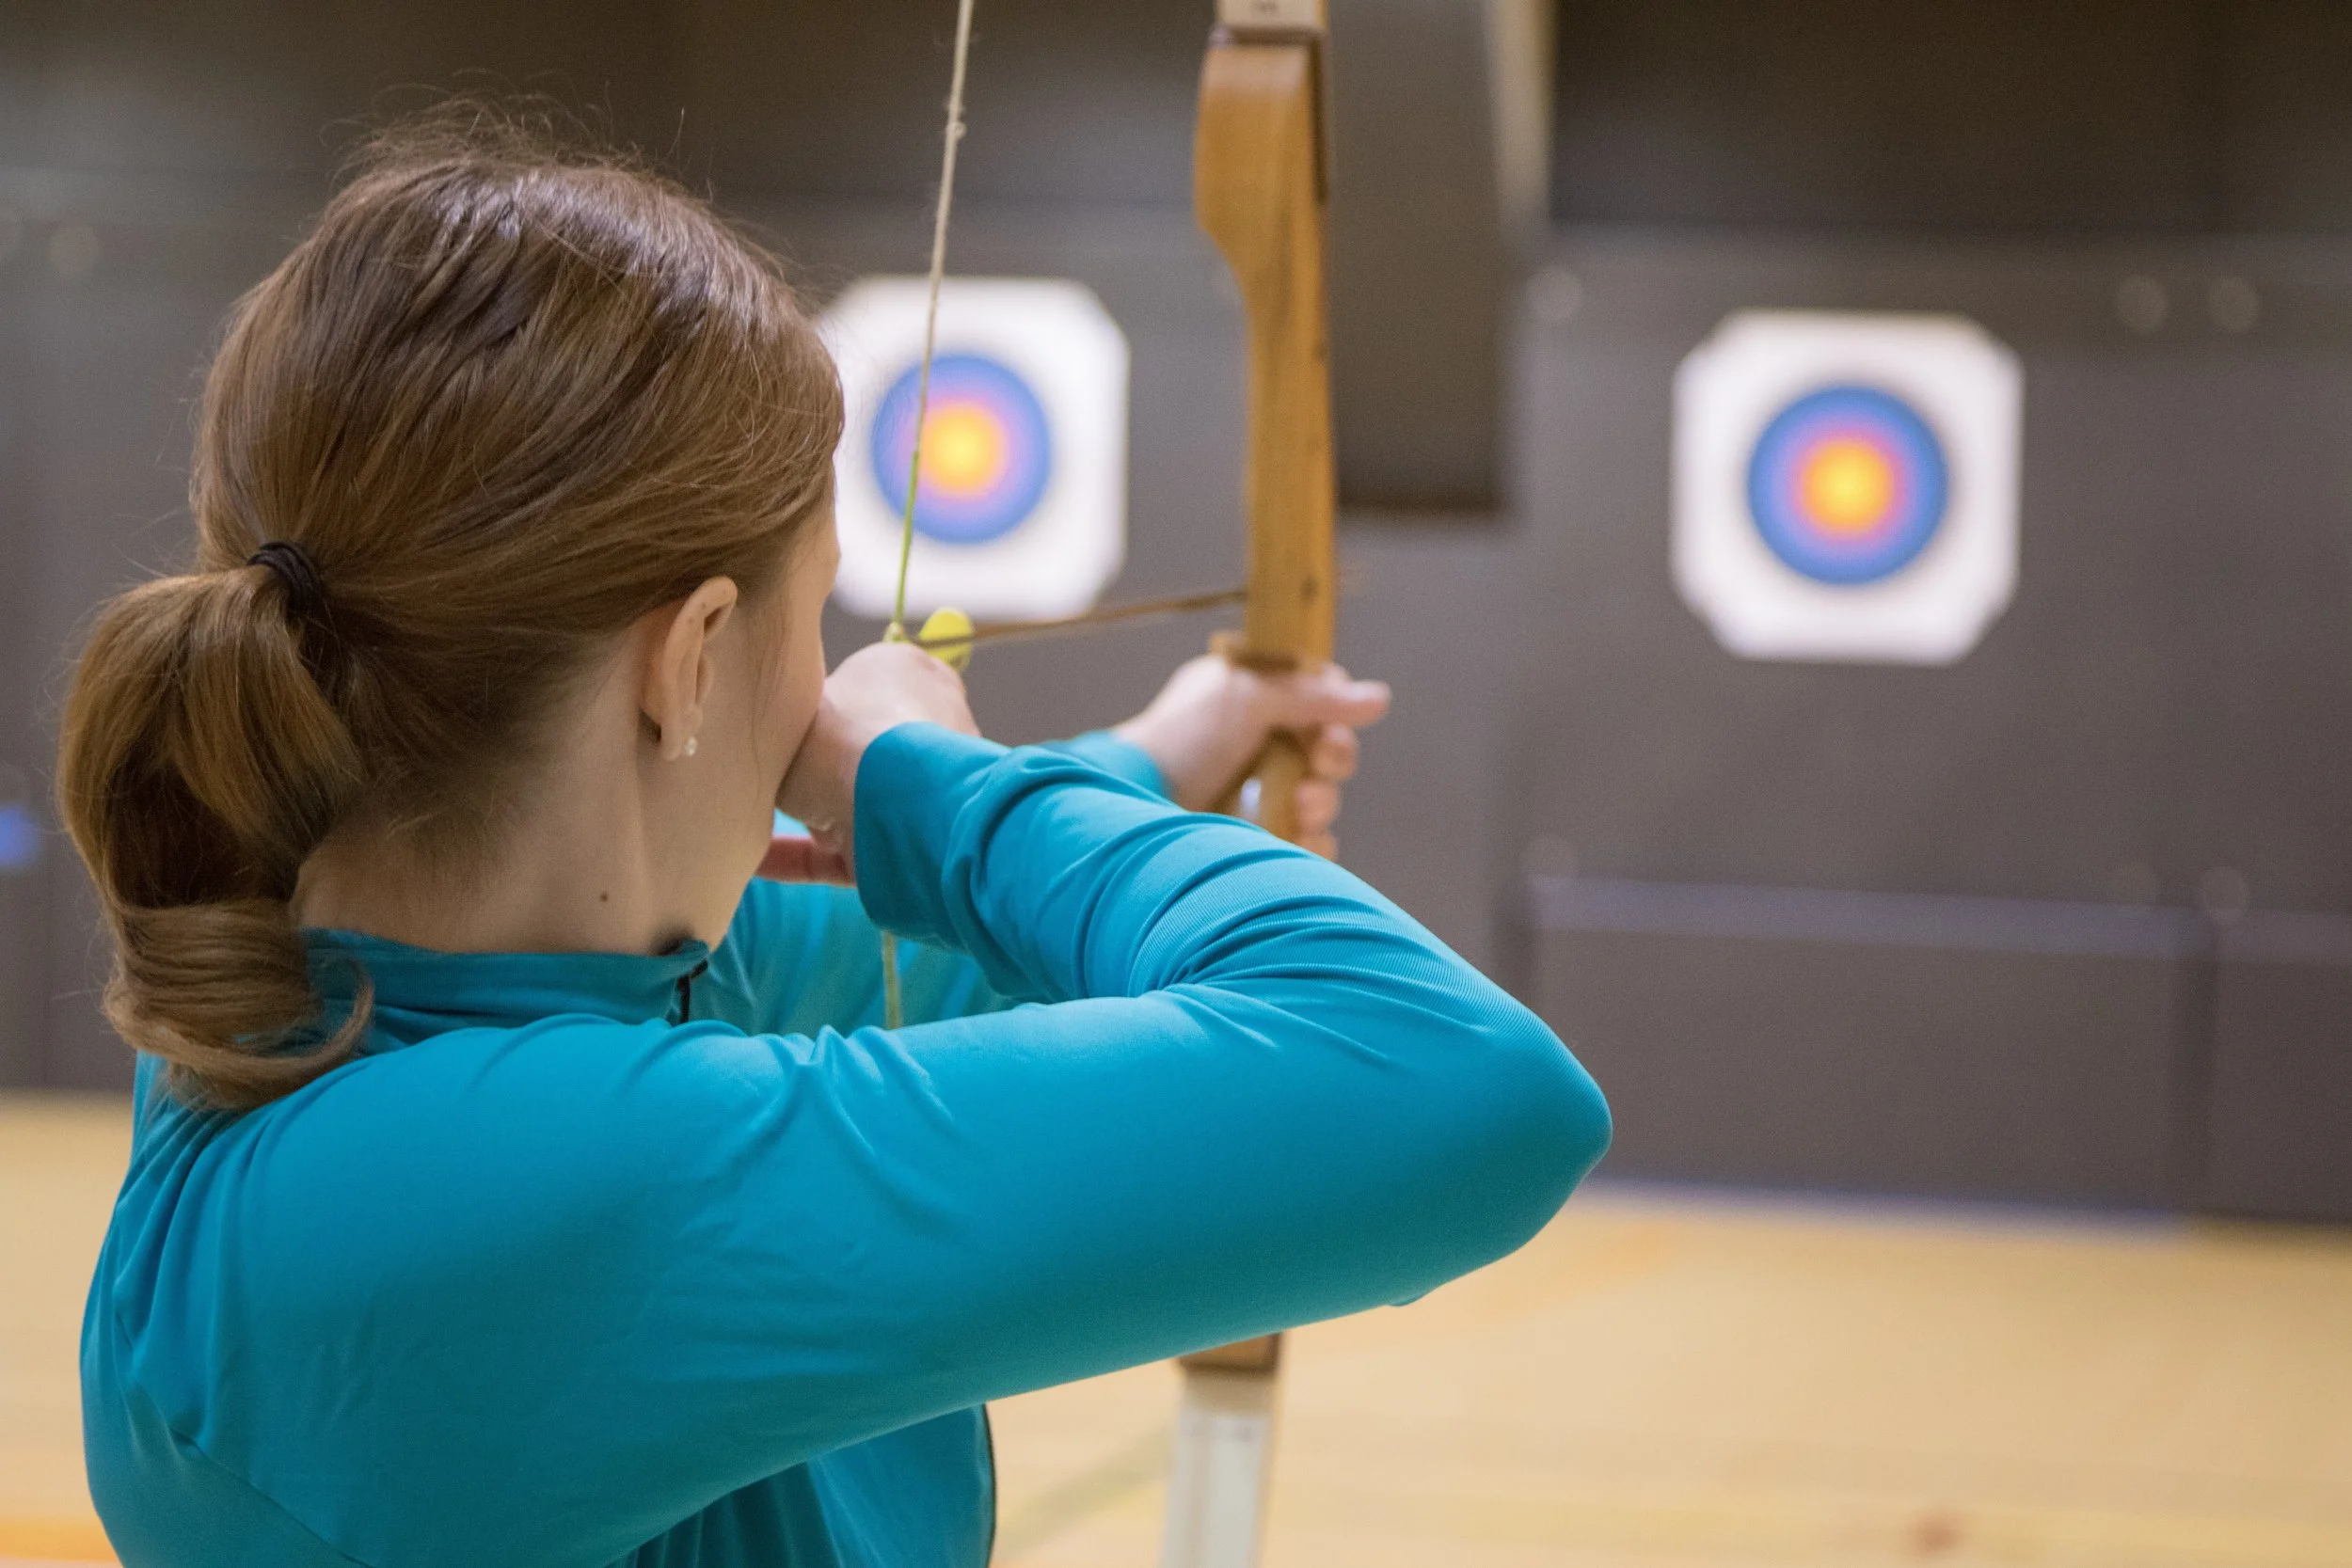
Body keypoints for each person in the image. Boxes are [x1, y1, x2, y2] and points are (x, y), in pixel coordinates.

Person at [56, 113, 1610, 1568]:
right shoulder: (497, 1195)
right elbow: (1467, 1083)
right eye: (819, 617)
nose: (827, 682)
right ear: (690, 658)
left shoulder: (320, 979)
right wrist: (932, 779)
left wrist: (1151, 765)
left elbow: (889, 964)